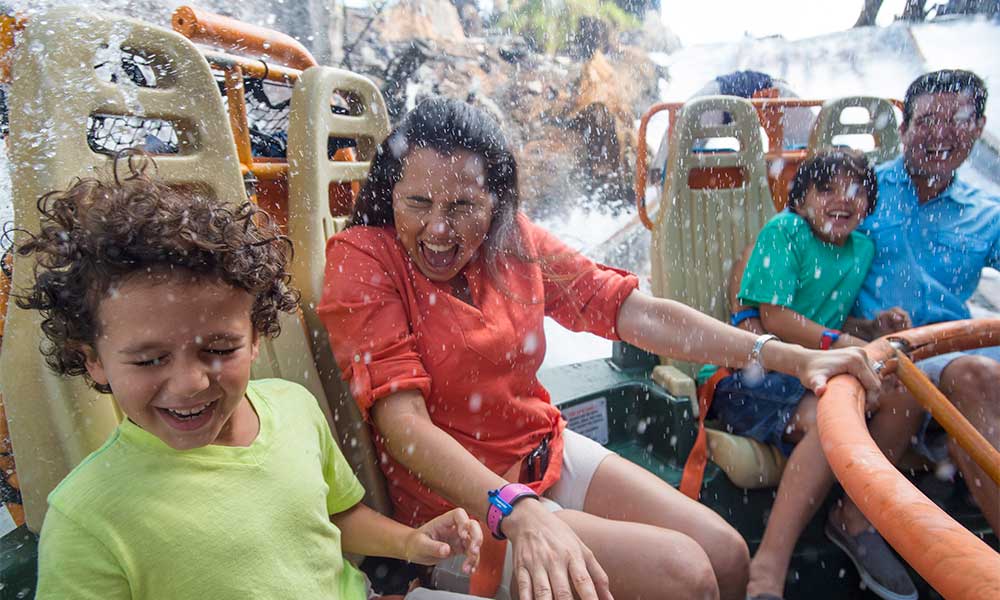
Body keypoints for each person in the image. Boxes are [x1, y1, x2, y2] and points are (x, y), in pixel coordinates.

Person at [319, 97, 881, 600]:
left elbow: (631, 310)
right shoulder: (363, 259)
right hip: (461, 513)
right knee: (685, 574)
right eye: (417, 201)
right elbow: (404, 428)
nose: (438, 229)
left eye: (463, 205)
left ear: (497, 200)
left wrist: (784, 354)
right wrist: (514, 508)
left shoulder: (512, 240)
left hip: (546, 455)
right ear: (389, 192)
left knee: (729, 553)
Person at [18, 152, 484, 600]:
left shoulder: (294, 406)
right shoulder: (86, 519)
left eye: (219, 349)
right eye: (148, 360)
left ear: (257, 335)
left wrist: (409, 543)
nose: (190, 383)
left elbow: (332, 518)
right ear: (93, 358)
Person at [710, 150, 918, 600]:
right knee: (833, 423)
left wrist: (870, 328)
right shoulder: (785, 232)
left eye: (856, 189)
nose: (843, 199)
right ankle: (768, 567)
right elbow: (776, 317)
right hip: (753, 372)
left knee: (905, 398)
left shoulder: (861, 248)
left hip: (813, 373)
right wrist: (843, 345)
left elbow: (829, 322)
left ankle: (856, 516)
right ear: (800, 201)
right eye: (826, 189)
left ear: (869, 204)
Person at [846, 69, 1000, 537]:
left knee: (975, 375)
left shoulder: (987, 211)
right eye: (928, 120)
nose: (942, 134)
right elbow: (785, 258)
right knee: (971, 376)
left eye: (958, 120)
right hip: (890, 357)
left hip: (960, 350)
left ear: (978, 127)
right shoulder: (855, 192)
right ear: (904, 127)